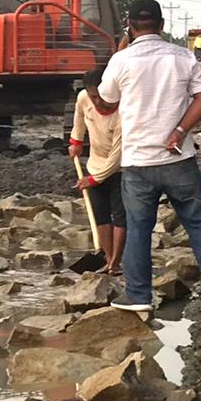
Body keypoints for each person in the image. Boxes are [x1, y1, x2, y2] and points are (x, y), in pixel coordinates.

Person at [98, 0, 201, 311]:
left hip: (138, 162)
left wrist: (121, 51)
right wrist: (180, 130)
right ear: (161, 25)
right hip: (178, 158)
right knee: (199, 221)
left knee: (138, 228)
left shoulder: (122, 60)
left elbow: (107, 97)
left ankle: (138, 296)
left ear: (130, 26)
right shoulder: (182, 56)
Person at [69, 66, 125, 274]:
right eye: (94, 97)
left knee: (120, 215)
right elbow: (79, 118)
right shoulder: (84, 98)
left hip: (121, 169)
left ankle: (116, 261)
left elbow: (117, 157)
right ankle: (108, 258)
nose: (98, 102)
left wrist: (93, 180)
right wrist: (76, 141)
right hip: (95, 163)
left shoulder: (122, 113)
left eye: (102, 96)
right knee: (100, 214)